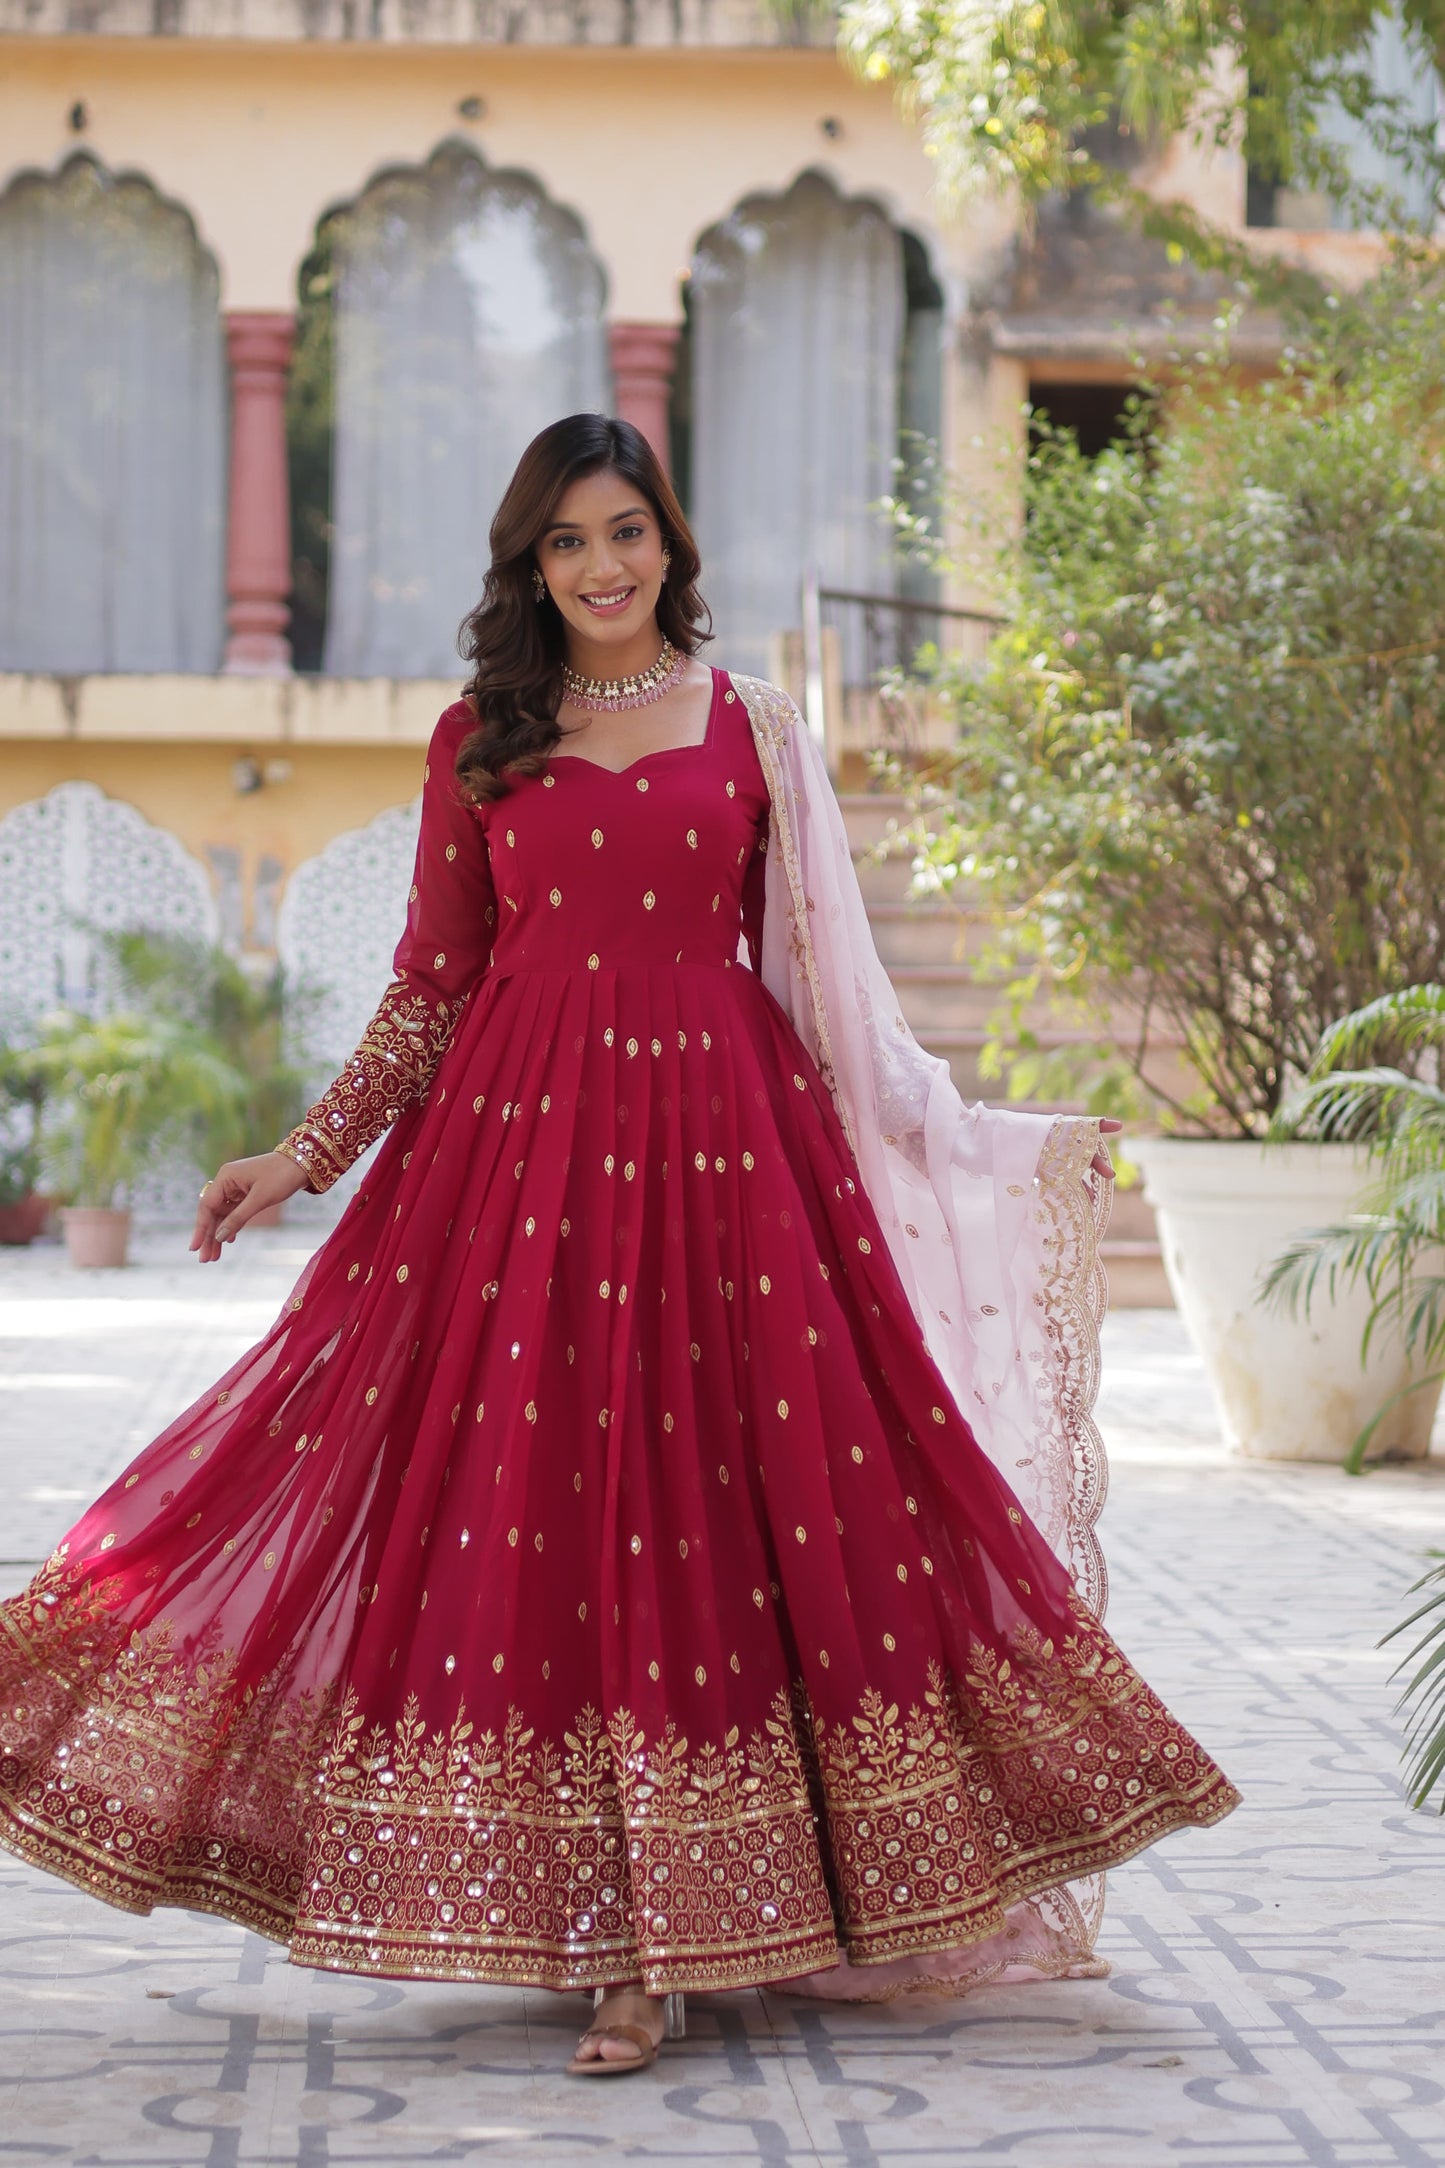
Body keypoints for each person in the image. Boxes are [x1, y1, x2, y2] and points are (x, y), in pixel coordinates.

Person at [0, 415, 1238, 2076]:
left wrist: (991, 1141)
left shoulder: (755, 729)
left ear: (671, 540)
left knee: (725, 1523)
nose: (598, 568)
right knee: (542, 1522)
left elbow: (833, 989)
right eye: (563, 544)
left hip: (731, 1179)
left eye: (624, 533)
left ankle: (694, 1931)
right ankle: (605, 1935)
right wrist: (303, 1153)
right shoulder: (478, 740)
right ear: (529, 565)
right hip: (511, 1180)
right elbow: (430, 989)